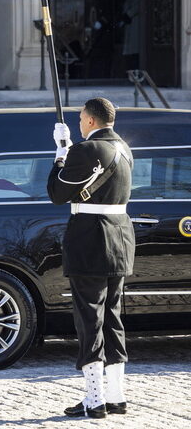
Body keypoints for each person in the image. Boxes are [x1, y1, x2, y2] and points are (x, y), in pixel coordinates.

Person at [47, 98, 134, 419]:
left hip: (91, 239)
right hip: (120, 238)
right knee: (112, 316)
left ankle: (94, 399)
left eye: (82, 119)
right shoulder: (125, 148)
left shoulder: (86, 150)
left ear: (91, 121)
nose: (80, 123)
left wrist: (61, 154)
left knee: (89, 319)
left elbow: (57, 193)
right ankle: (116, 395)